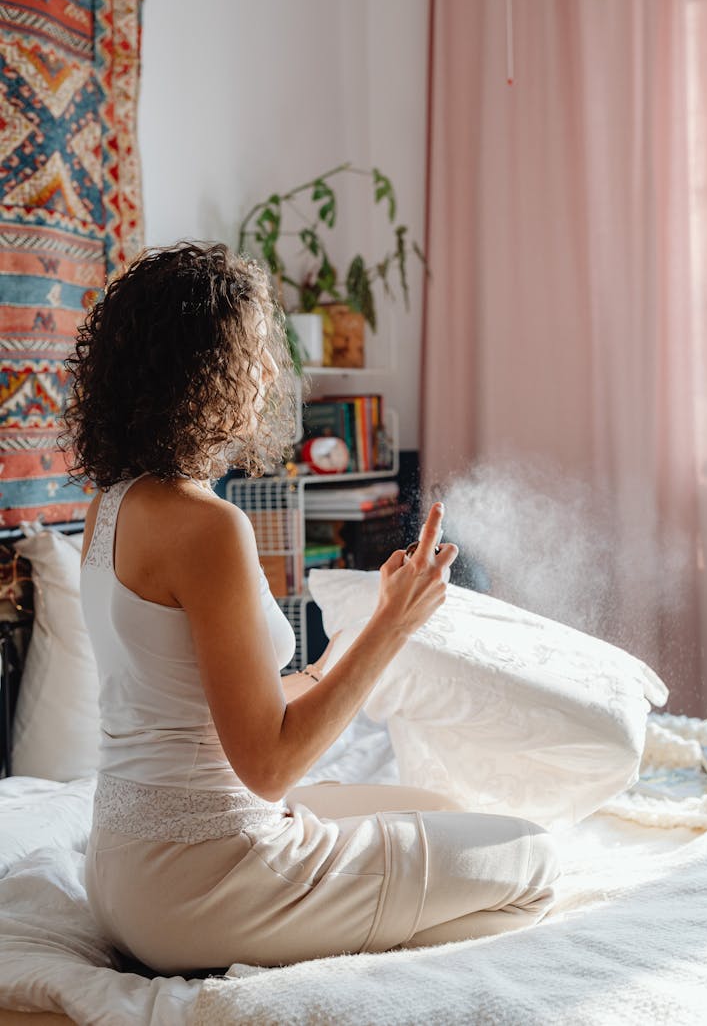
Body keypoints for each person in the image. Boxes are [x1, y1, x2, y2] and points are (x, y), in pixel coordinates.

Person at [66, 241, 559, 975]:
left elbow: (202, 707)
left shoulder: (111, 507)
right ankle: (346, 963)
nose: (267, 371)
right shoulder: (209, 528)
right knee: (534, 861)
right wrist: (392, 628)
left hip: (124, 875)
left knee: (437, 801)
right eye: (252, 351)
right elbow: (269, 763)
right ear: (196, 371)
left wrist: (342, 651)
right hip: (203, 884)